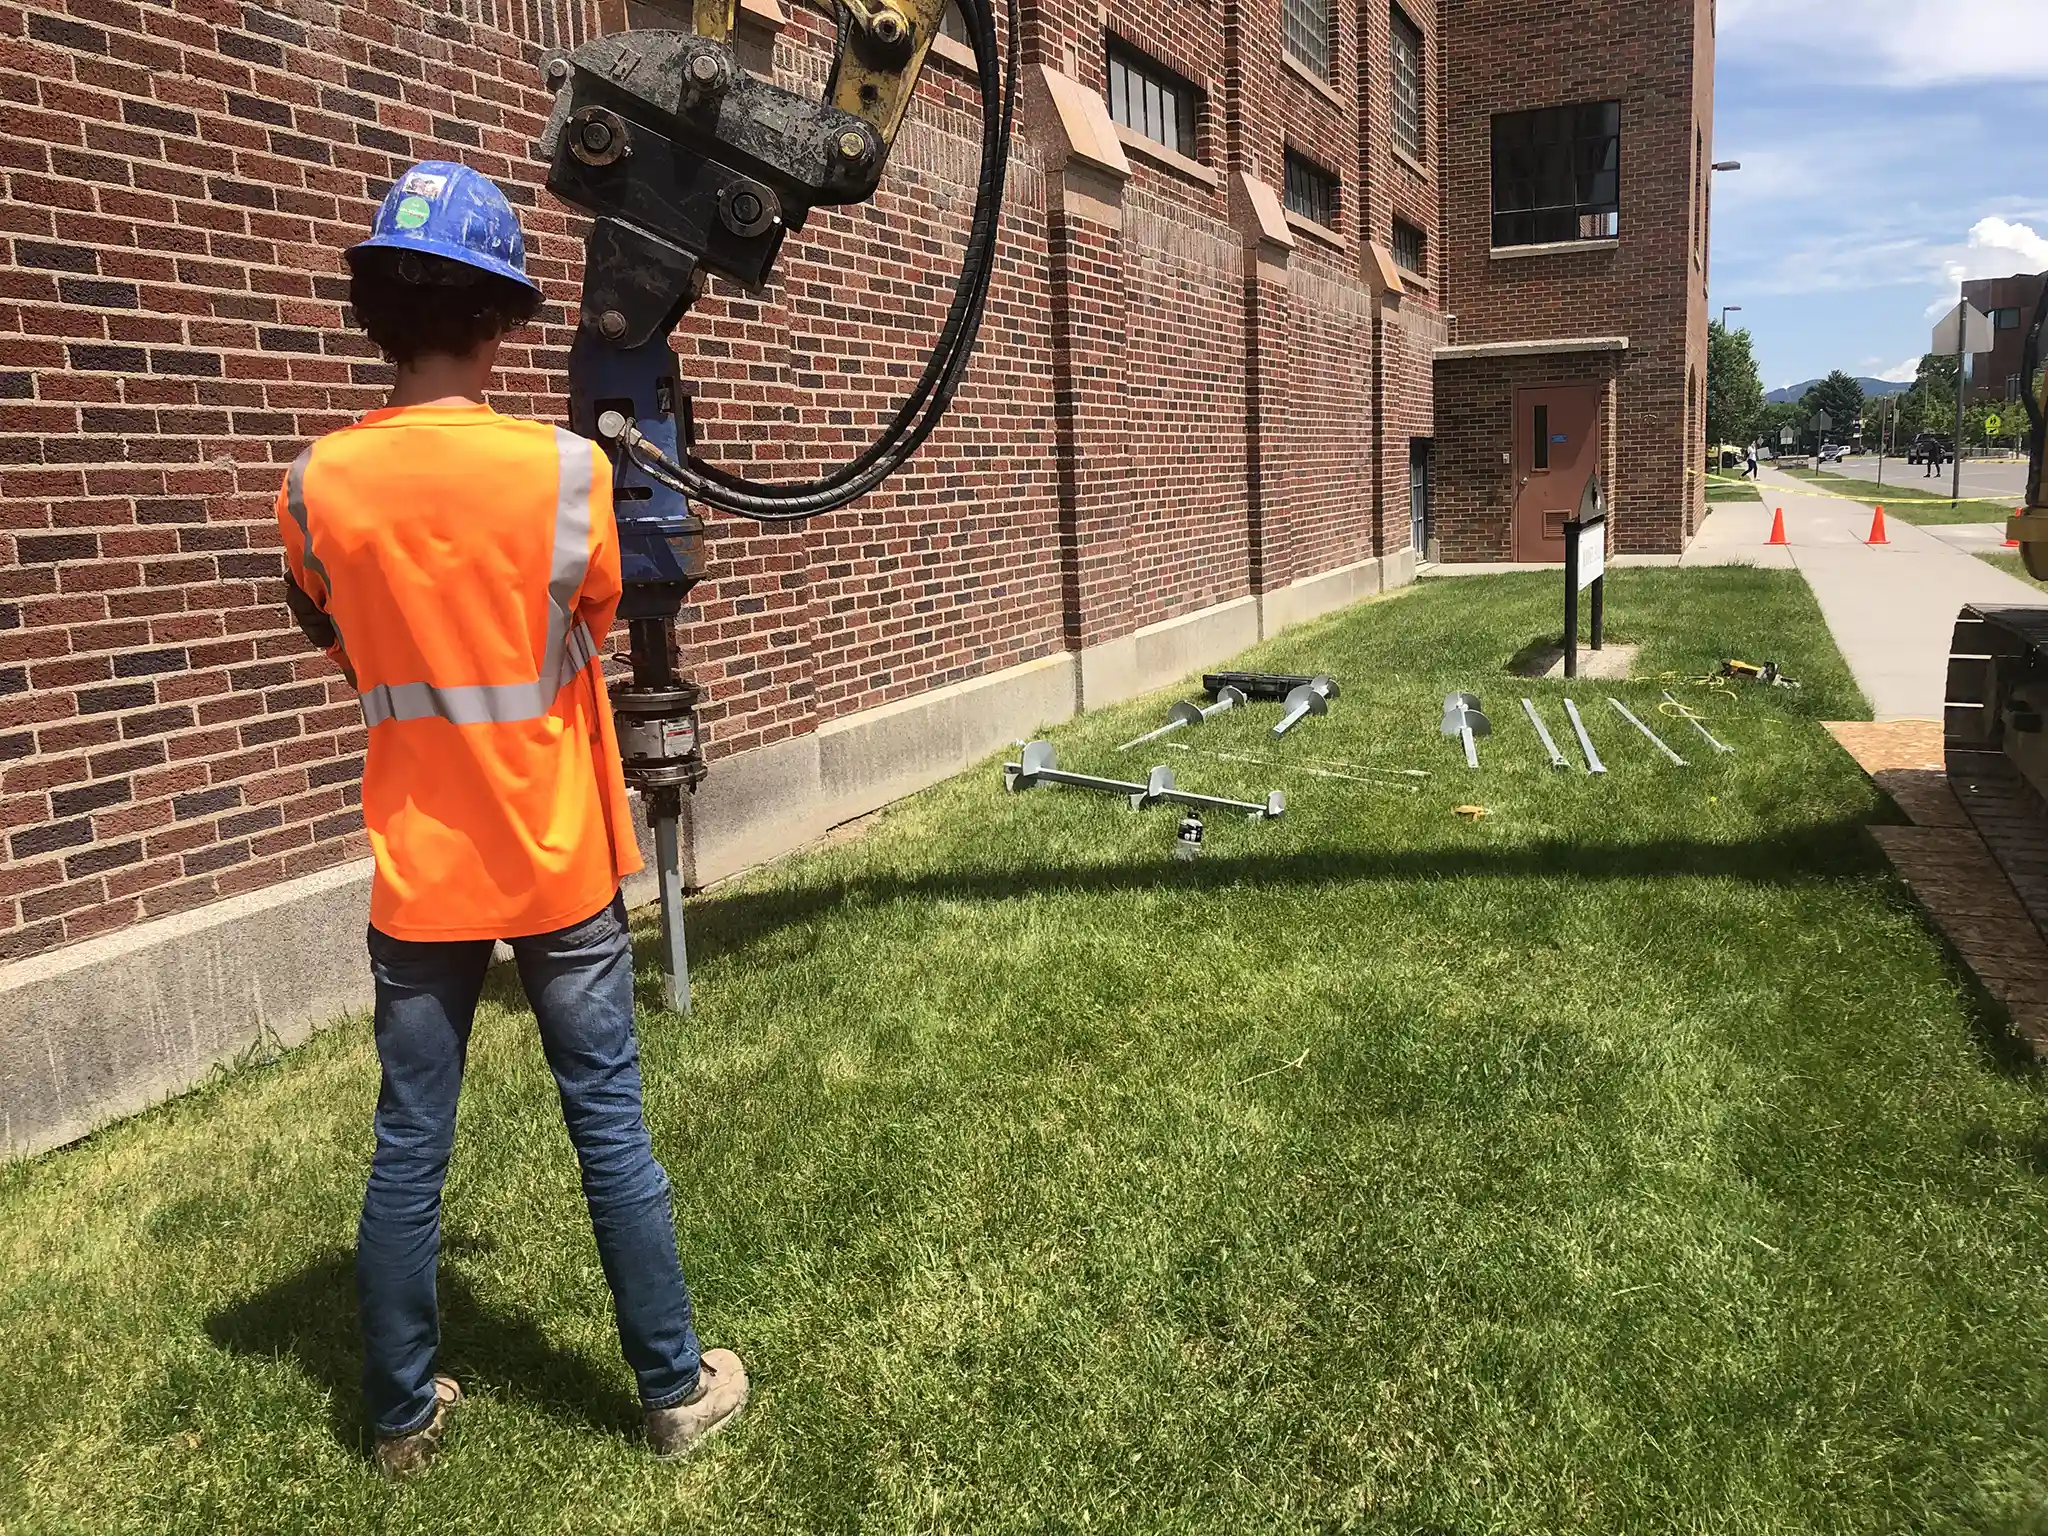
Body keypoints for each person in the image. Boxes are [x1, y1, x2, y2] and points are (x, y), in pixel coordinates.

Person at [275, 162, 748, 1479]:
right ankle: (670, 1388)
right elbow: (592, 620)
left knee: (408, 1144)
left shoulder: (317, 485)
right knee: (609, 1125)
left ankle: (400, 1416)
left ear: (378, 313)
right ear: (501, 320)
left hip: (418, 875)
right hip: (555, 861)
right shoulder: (569, 475)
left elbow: (326, 620)